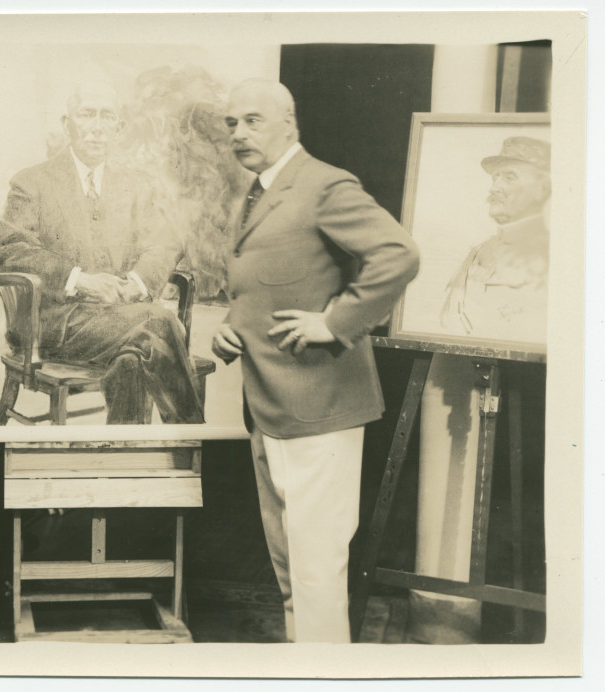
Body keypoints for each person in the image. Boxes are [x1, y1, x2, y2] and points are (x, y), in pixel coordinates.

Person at [212, 79, 420, 643]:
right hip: (269, 405)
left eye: (253, 120)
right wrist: (231, 330)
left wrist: (334, 324)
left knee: (316, 572)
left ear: (289, 123)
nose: (239, 133)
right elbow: (268, 287)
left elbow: (397, 255)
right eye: (231, 123)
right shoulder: (254, 194)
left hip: (320, 403)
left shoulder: (325, 185)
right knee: (291, 572)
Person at [0, 81, 204, 424]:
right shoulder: (32, 182)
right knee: (158, 323)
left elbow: (165, 241)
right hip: (56, 324)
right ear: (66, 123)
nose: (97, 128)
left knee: (133, 357)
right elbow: (9, 248)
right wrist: (78, 279)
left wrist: (139, 281)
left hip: (123, 318)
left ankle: (121, 452)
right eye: (87, 115)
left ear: (118, 128)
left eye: (107, 117)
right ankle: (195, 438)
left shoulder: (135, 185)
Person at [441, 136, 550, 344]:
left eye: (509, 177)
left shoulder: (560, 256)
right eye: (494, 178)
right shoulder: (480, 251)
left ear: (542, 189)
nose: (494, 188)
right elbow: (450, 324)